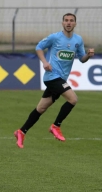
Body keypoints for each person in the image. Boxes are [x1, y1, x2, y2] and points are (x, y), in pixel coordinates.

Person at [14, 13, 95, 148]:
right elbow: (38, 47)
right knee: (73, 99)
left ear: (75, 23)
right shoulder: (55, 37)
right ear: (62, 23)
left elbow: (81, 59)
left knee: (41, 108)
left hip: (61, 79)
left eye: (71, 21)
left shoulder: (78, 40)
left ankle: (21, 131)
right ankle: (55, 126)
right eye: (66, 20)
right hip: (52, 76)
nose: (68, 23)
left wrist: (88, 55)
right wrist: (45, 62)